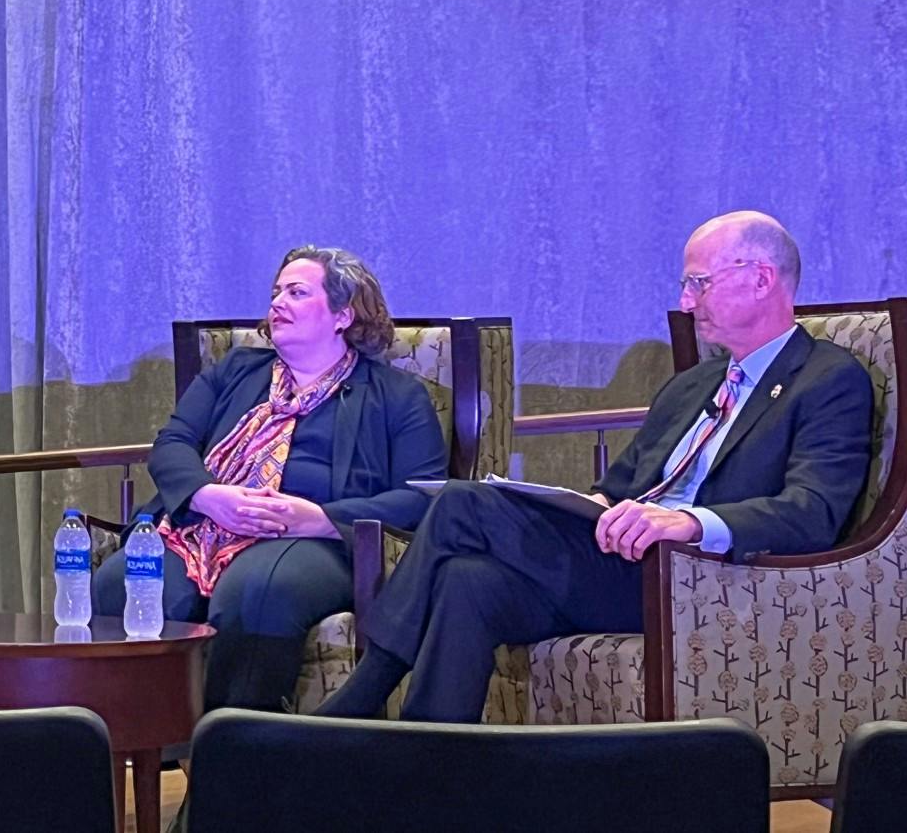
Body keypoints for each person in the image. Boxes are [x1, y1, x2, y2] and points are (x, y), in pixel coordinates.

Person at [319, 211, 874, 723]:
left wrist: (689, 523)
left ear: (761, 279)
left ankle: (365, 693)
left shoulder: (826, 380)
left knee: (462, 502)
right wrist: (589, 506)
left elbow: (812, 512)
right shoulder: (693, 385)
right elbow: (617, 488)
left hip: (700, 578)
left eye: (699, 283)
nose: (685, 302)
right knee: (468, 581)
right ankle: (426, 764)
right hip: (622, 563)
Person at [91, 246, 448, 712]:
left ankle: (237, 746)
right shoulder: (235, 372)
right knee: (122, 581)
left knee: (258, 590)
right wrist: (207, 496)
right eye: (277, 292)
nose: (278, 302)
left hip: (314, 540)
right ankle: (149, 743)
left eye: (297, 293)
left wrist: (318, 517)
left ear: (343, 315)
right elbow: (173, 443)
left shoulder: (398, 396)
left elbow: (423, 497)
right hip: (205, 525)